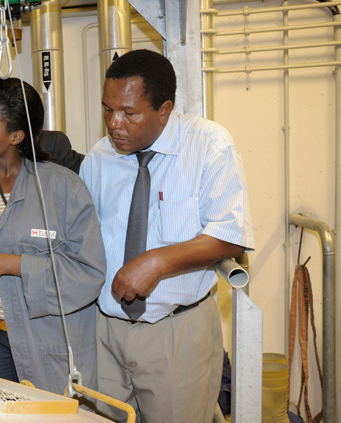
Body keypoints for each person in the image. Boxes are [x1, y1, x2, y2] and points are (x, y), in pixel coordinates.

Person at [78, 49, 254, 422]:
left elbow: (230, 235)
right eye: (108, 110)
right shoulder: (98, 159)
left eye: (128, 112)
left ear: (164, 109)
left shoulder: (209, 145)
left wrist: (156, 262)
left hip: (177, 333)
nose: (114, 123)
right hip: (104, 330)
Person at [0, 75, 106, 395]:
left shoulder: (62, 187)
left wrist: (6, 263)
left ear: (16, 135)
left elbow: (88, 272)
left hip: (46, 339)